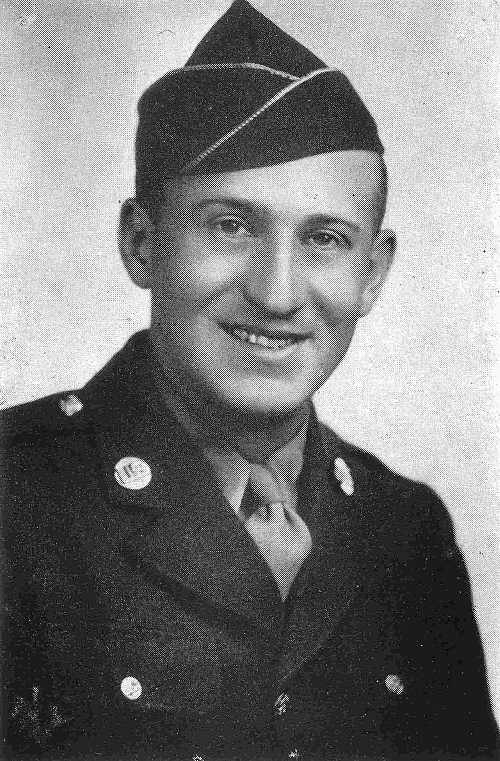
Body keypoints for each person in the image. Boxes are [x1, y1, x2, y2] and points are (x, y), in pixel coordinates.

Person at [2, 1, 498, 759]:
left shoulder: (406, 532)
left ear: (371, 273)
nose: (276, 292)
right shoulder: (18, 498)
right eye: (231, 226)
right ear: (141, 241)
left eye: (324, 239)